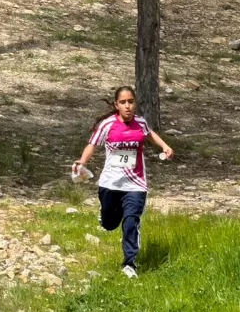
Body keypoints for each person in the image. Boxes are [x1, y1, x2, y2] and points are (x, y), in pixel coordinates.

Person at [73, 86, 173, 279]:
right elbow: (92, 144)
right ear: (116, 105)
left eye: (131, 102)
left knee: (131, 221)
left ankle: (129, 264)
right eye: (123, 102)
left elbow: (149, 134)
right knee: (110, 224)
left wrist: (165, 146)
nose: (127, 106)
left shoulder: (140, 123)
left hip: (136, 184)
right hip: (110, 183)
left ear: (135, 103)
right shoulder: (107, 124)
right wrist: (82, 161)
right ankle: (105, 216)